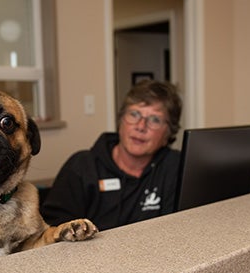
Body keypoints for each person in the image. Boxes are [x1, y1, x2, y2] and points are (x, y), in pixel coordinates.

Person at [41, 80, 182, 231]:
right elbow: (53, 233)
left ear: (168, 133)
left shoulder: (177, 167)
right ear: (121, 120)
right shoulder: (81, 167)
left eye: (155, 120)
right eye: (134, 114)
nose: (140, 127)